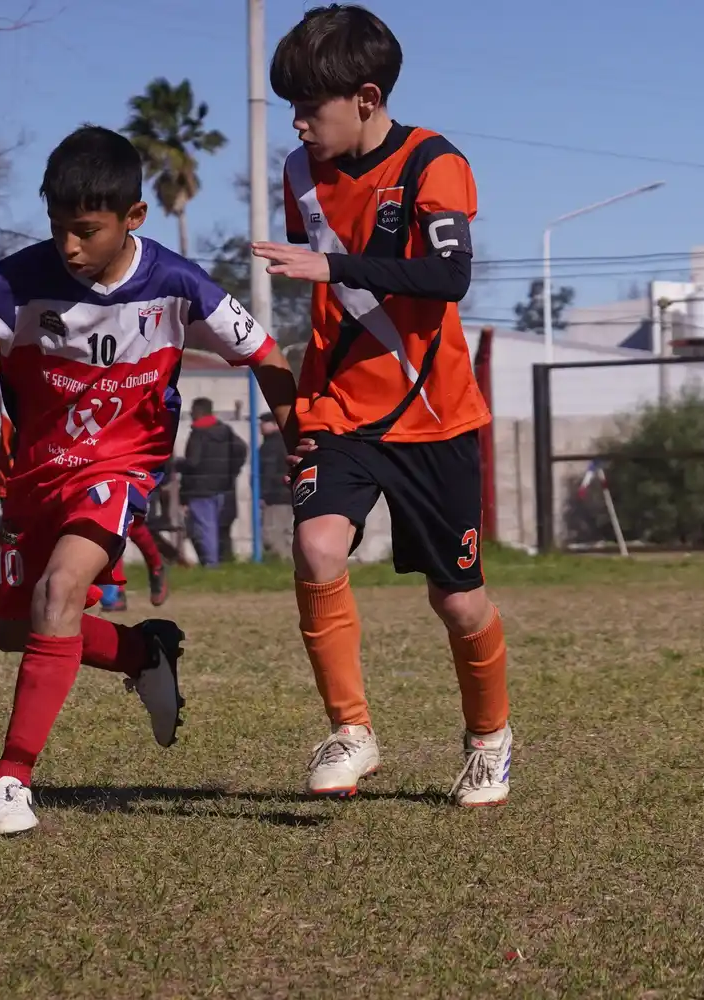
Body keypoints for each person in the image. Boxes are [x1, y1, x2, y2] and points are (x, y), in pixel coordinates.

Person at [0, 125, 300, 835]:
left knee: (60, 591)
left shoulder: (177, 285)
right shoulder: (17, 281)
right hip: (35, 473)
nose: (68, 246)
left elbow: (265, 351)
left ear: (134, 218)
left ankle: (11, 778)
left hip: (120, 466)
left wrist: (300, 443)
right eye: (57, 227)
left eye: (85, 230)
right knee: (19, 629)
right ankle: (145, 651)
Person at [251, 4, 510, 807]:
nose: (295, 124)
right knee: (318, 550)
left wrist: (331, 270)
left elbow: (449, 279)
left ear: (365, 98)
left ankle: (490, 739)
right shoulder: (301, 176)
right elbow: (331, 301)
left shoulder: (434, 163)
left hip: (435, 416)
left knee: (457, 600)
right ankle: (352, 730)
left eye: (308, 106)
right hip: (339, 410)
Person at [177, 398, 247, 566]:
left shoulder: (198, 434)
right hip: (222, 487)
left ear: (198, 411)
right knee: (214, 527)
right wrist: (230, 472)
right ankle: (218, 562)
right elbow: (241, 450)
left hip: (200, 488)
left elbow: (193, 462)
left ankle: (211, 564)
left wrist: (177, 464)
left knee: (204, 528)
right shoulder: (226, 431)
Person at [257, 411, 293, 559]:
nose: (260, 426)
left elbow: (267, 473)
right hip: (286, 495)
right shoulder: (287, 441)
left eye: (263, 423)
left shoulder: (271, 445)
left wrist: (263, 494)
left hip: (276, 497)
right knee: (284, 532)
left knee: (272, 534)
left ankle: (284, 563)